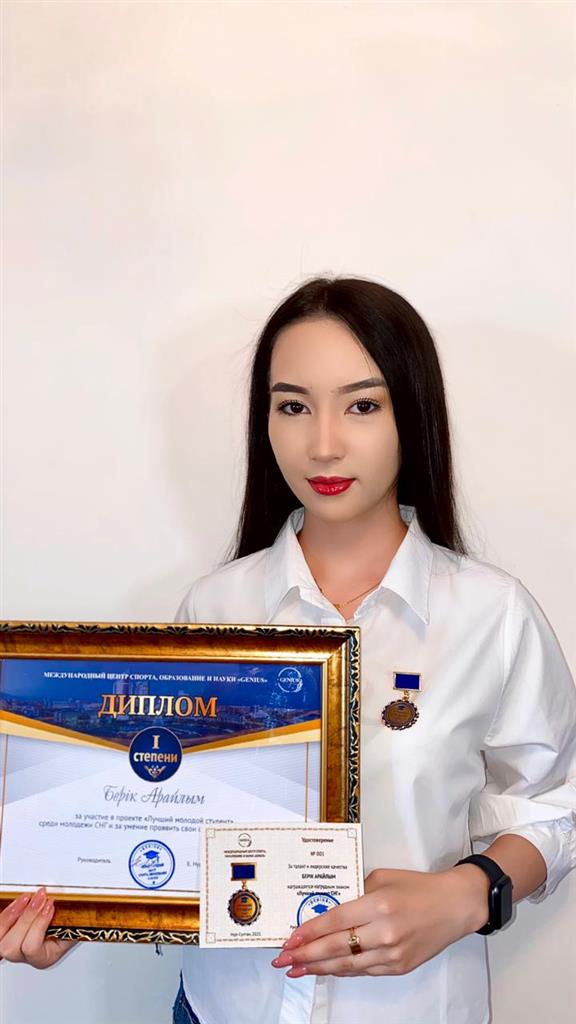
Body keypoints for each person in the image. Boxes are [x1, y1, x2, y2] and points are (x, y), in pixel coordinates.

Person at [2, 277, 575, 1024]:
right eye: (293, 406)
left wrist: (471, 894)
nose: (323, 443)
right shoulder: (213, 610)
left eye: (362, 405)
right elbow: (162, 811)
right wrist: (78, 906)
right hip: (222, 1006)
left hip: (412, 1008)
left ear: (413, 412)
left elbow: (554, 803)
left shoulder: (491, 614)